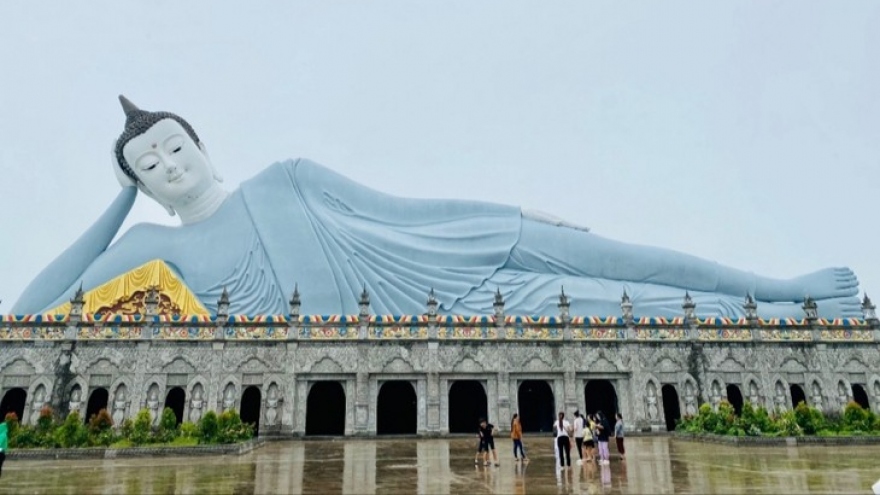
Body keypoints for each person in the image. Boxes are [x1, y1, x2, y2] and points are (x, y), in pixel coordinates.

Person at [13, 97, 861, 318]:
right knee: (644, 308)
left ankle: (785, 287)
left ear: (201, 143)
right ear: (142, 186)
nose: (167, 166)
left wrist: (518, 210)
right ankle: (814, 314)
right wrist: (115, 202)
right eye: (147, 167)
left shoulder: (287, 175)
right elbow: (25, 317)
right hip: (441, 316)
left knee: (621, 256)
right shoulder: (159, 251)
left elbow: (403, 208)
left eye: (170, 146)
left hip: (442, 250)